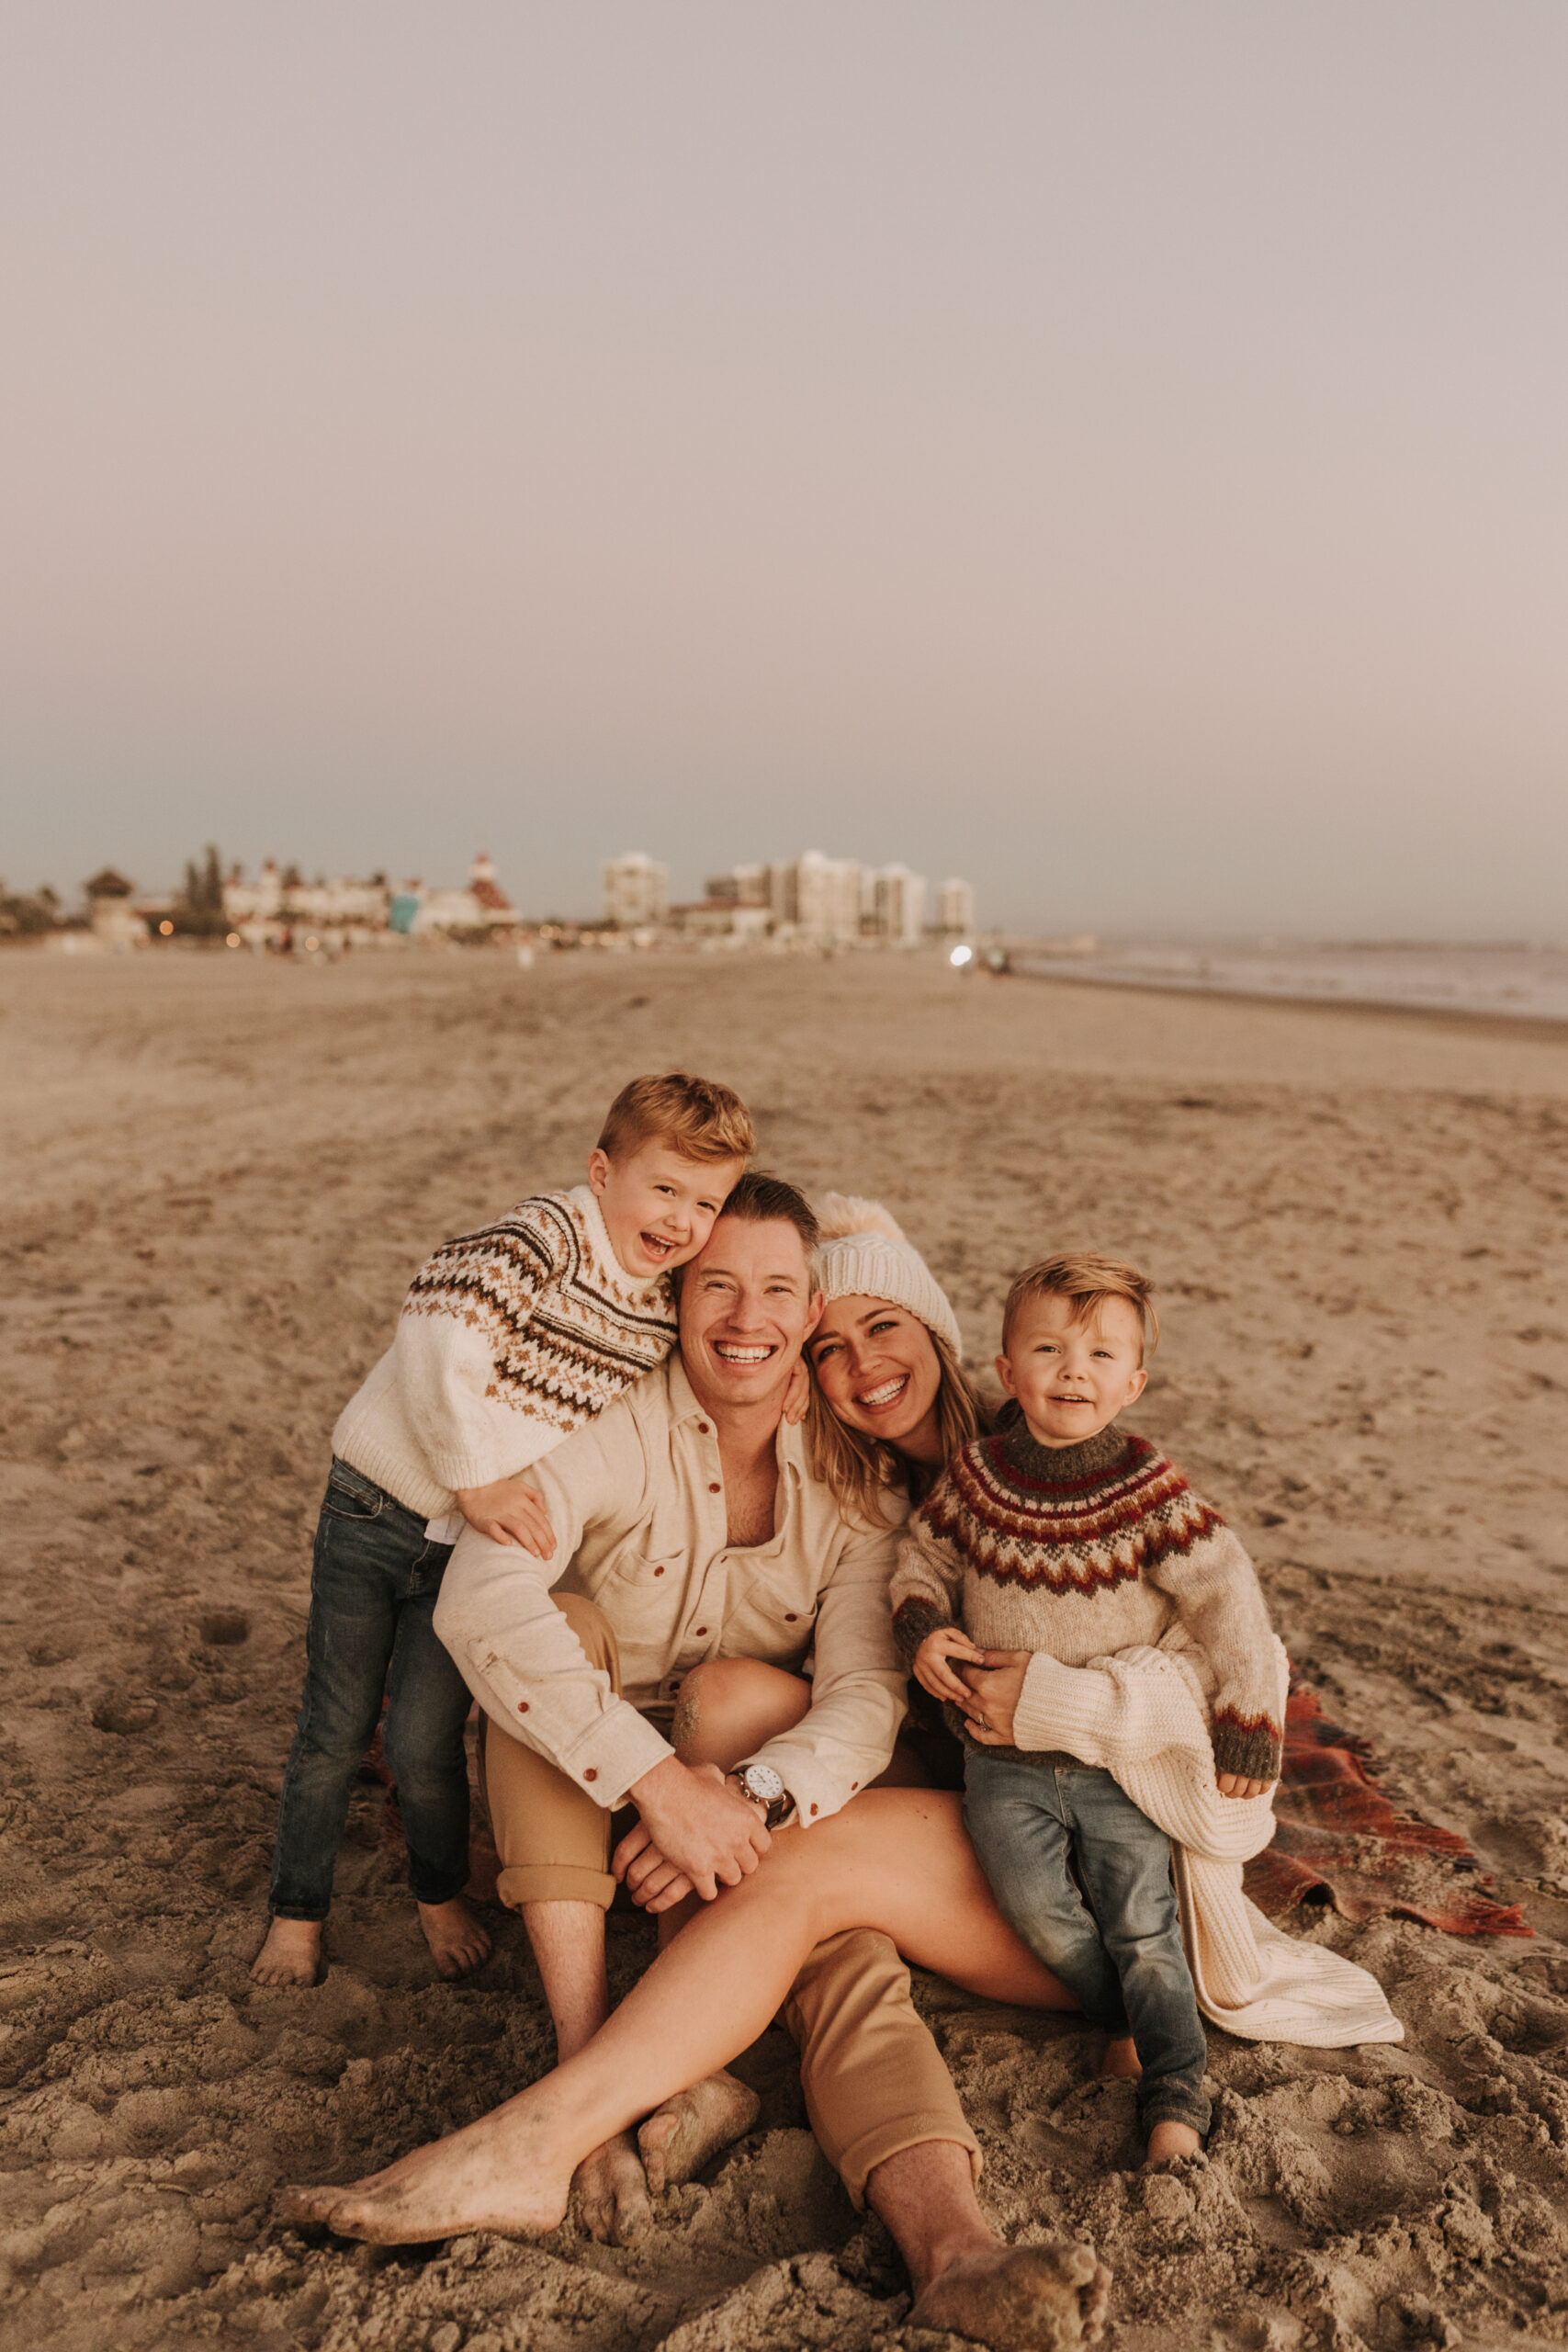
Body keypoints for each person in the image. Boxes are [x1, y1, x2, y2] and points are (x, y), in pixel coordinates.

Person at [252, 1071, 754, 1991]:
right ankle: (298, 1910)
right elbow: (437, 1337)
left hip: (465, 1547)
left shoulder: (656, 1300)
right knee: (334, 1726)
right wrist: (473, 1475)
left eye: (706, 1201)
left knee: (425, 1745)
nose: (683, 1218)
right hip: (376, 1506)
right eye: (665, 1187)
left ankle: (438, 1889)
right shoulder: (544, 1237)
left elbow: (743, 1312)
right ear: (602, 1171)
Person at [891, 1252, 1282, 2165]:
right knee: (1035, 1906)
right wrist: (923, 1625)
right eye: (1050, 1347)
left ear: (1133, 1381)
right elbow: (923, 1558)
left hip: (1115, 1759)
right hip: (1000, 1756)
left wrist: (1249, 1721)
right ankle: (1112, 2012)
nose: (1075, 1368)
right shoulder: (979, 1478)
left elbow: (1230, 1605)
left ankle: (1177, 2086)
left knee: (1144, 1921)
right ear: (1007, 1370)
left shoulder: (1149, 1490)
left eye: (1103, 1354)